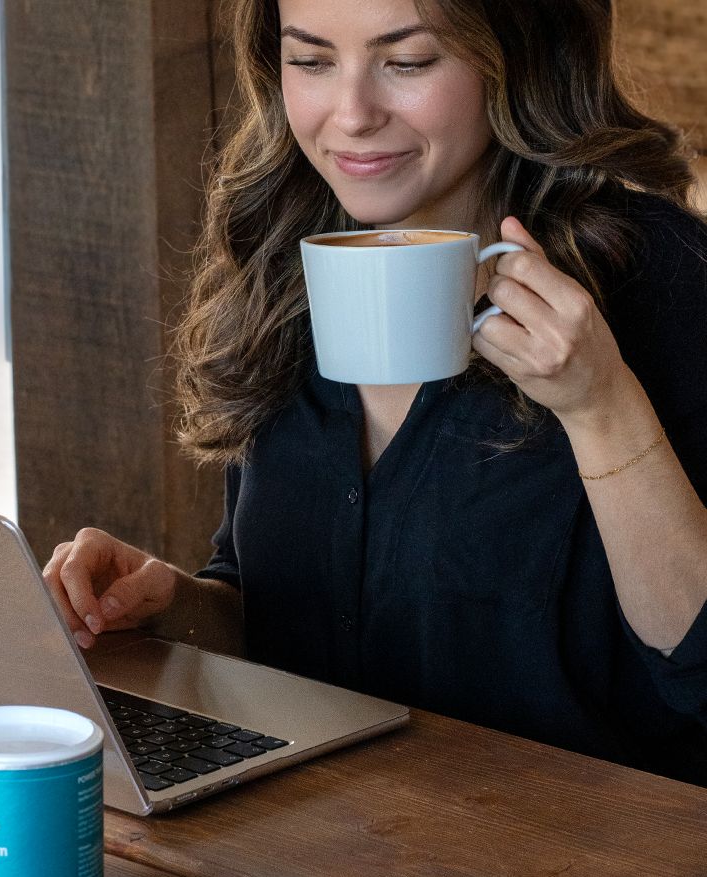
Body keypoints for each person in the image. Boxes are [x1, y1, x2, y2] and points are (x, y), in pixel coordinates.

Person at [45, 0, 707, 785]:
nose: (351, 114)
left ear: (517, 60)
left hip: (581, 870)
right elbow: (285, 609)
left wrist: (601, 407)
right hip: (323, 852)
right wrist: (175, 609)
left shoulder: (662, 280)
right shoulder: (286, 267)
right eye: (313, 61)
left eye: (408, 62)